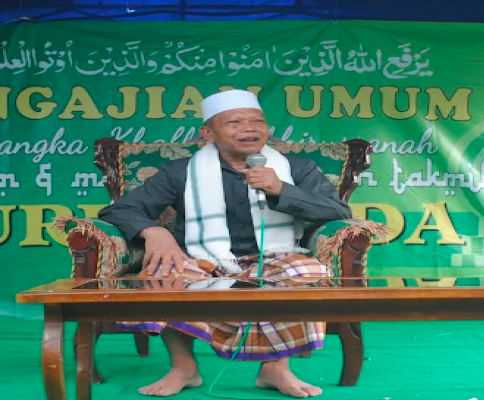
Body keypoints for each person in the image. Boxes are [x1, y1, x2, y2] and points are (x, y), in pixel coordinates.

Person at [97, 89, 353, 398]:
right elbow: (121, 210)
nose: (249, 128)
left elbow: (339, 211)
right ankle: (184, 367)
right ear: (208, 133)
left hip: (275, 255)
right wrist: (154, 232)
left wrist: (281, 189)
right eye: (234, 122)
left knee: (306, 272)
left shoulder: (296, 168)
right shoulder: (180, 171)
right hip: (201, 257)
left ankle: (275, 368)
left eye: (257, 121)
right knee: (164, 274)